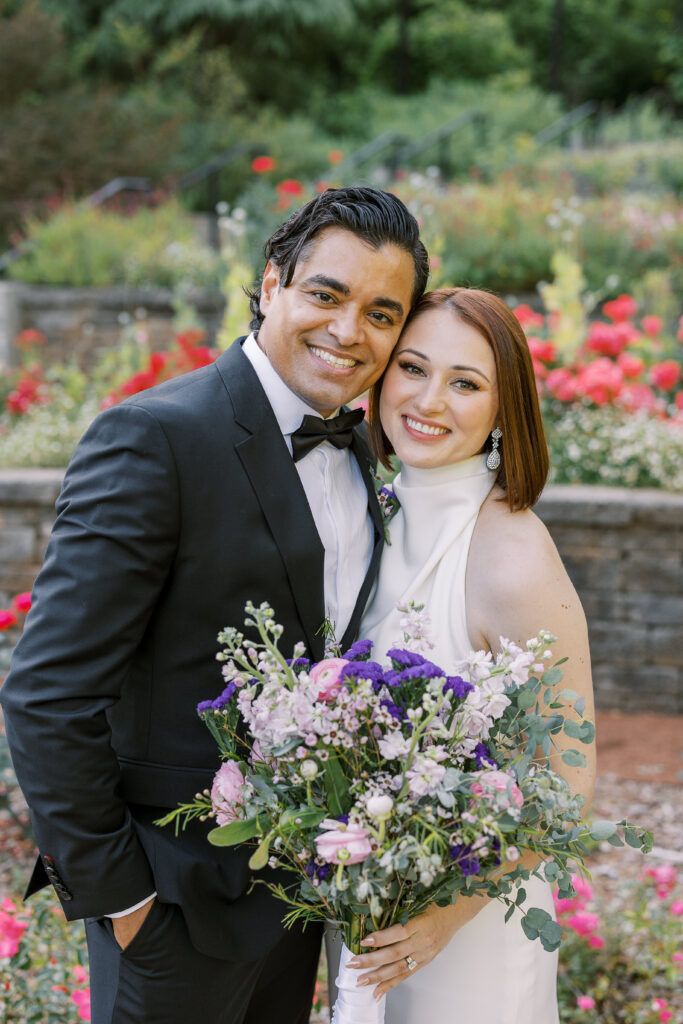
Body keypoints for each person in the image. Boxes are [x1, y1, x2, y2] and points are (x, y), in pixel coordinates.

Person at [0, 186, 429, 1024]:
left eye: (382, 313)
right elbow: (46, 693)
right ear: (271, 283)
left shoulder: (365, 450)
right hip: (171, 905)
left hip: (296, 899)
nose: (349, 332)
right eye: (326, 295)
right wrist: (122, 903)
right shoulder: (155, 437)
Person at [351, 287, 596, 1021]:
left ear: (502, 408)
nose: (428, 400)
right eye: (412, 368)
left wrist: (443, 918)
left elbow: (568, 784)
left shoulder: (510, 556)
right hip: (369, 907)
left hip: (468, 935)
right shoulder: (372, 511)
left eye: (465, 383)